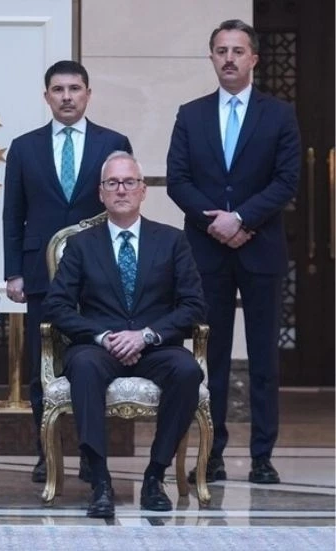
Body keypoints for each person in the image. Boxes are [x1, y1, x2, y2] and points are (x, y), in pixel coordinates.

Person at [166, 19, 300, 485]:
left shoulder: (279, 114)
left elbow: (287, 180)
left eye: (238, 51)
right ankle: (212, 453)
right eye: (221, 50)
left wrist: (241, 219)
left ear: (253, 59)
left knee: (263, 359)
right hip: (207, 253)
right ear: (211, 58)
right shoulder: (191, 114)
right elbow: (178, 179)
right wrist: (215, 223)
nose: (229, 58)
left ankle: (262, 456)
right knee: (210, 358)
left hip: (261, 250)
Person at [44, 151, 206, 518]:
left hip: (155, 346)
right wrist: (103, 336)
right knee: (83, 368)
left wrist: (146, 335)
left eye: (129, 182)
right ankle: (100, 481)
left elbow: (194, 305)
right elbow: (57, 306)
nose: (121, 190)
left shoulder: (172, 240)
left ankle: (155, 475)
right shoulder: (81, 245)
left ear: (142, 190)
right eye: (113, 183)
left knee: (187, 371)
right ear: (101, 193)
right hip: (98, 347)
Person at [2, 60, 132, 483]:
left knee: (94, 363)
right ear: (47, 97)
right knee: (44, 365)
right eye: (58, 90)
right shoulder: (24, 147)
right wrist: (14, 272)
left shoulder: (113, 142)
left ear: (88, 94)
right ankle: (47, 453)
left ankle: (92, 455)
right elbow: (13, 214)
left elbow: (123, 206)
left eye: (75, 88)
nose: (67, 97)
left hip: (99, 275)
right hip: (41, 274)